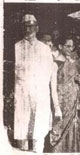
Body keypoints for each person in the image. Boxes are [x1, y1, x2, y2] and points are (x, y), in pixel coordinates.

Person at [14, 14, 62, 153]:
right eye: (26, 26)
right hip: (22, 99)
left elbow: (50, 80)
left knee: (38, 139)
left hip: (40, 99)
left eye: (31, 26)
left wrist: (56, 106)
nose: (29, 29)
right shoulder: (16, 47)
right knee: (22, 138)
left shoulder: (45, 49)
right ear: (22, 28)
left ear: (37, 28)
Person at [49, 36, 80, 152]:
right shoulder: (55, 64)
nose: (71, 49)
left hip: (72, 103)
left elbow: (73, 79)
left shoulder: (72, 62)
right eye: (68, 46)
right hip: (61, 104)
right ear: (60, 47)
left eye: (72, 46)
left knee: (73, 131)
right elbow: (53, 88)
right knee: (58, 132)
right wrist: (57, 107)